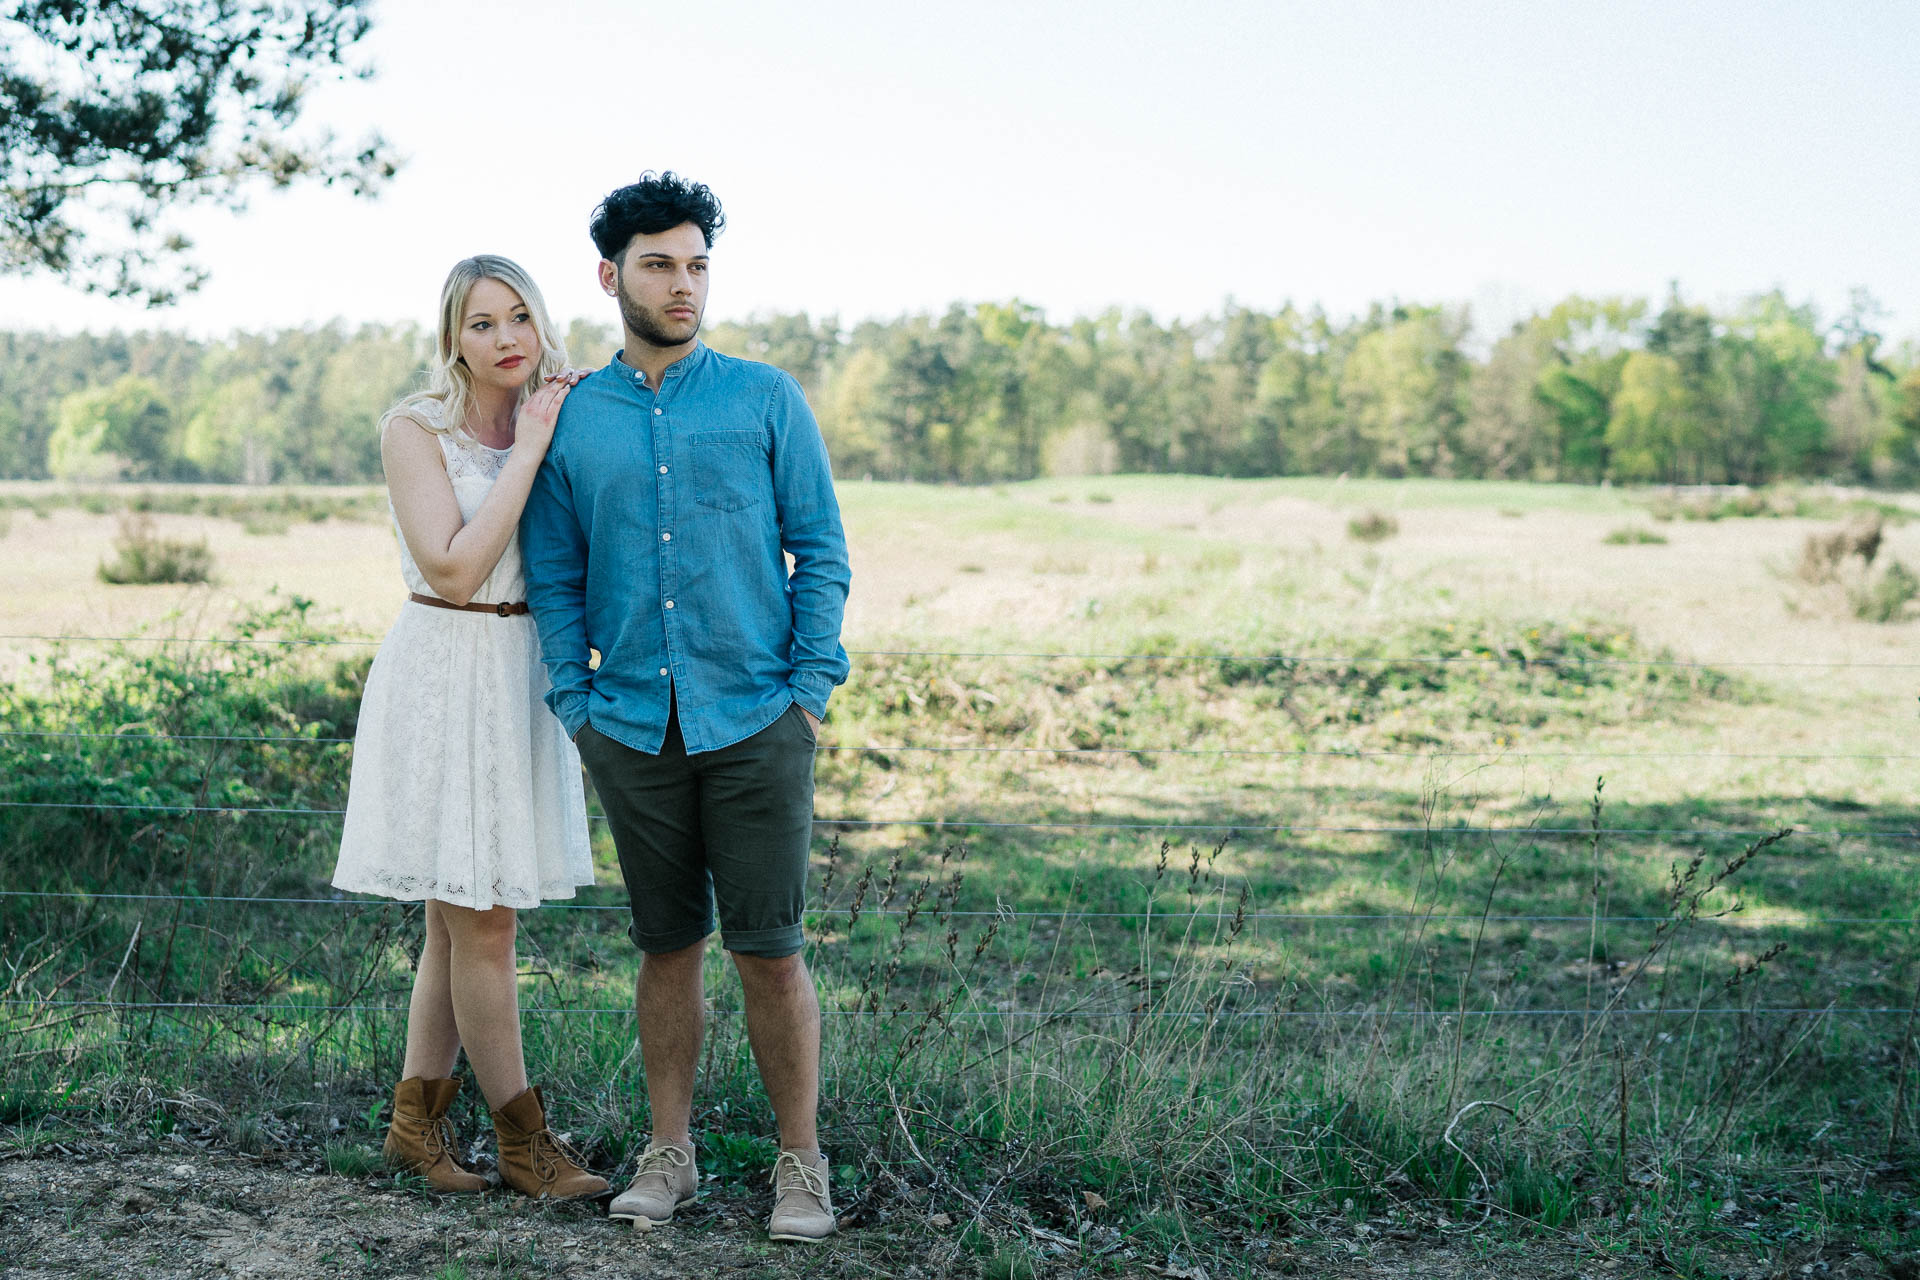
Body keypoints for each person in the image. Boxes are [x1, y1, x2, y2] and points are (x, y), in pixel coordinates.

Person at [520, 172, 851, 1242]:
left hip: (757, 718)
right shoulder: (575, 417)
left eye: (697, 265)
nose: (683, 284)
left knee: (772, 949)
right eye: (659, 264)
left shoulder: (764, 397)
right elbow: (555, 574)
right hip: (629, 725)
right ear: (609, 275)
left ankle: (801, 1165)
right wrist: (575, 700)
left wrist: (807, 694)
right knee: (667, 946)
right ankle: (671, 1154)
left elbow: (821, 549)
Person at [333, 255, 608, 1201]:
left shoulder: (561, 411)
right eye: (482, 323)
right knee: (485, 923)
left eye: (519, 317)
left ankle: (414, 1129)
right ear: (453, 336)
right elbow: (453, 571)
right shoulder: (415, 428)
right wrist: (526, 452)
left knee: (457, 925)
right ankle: (525, 1144)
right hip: (444, 670)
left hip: (520, 674)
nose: (506, 339)